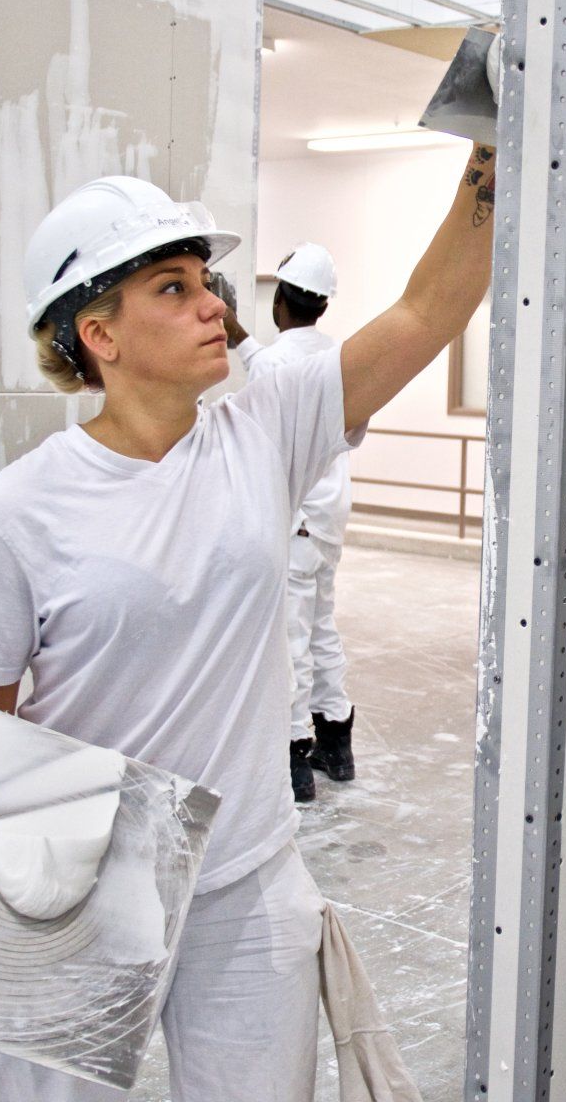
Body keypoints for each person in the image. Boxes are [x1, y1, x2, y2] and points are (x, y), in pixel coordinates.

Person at [0, 144, 496, 1101]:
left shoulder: (264, 429)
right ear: (98, 334)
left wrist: (490, 162)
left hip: (248, 879)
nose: (216, 308)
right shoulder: (17, 513)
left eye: (208, 281)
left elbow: (425, 310)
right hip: (83, 886)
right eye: (173, 287)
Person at [234, 242, 357, 803]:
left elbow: (269, 376)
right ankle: (337, 741)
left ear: (281, 299)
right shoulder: (342, 359)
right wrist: (240, 338)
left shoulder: (284, 360)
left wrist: (234, 332)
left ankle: (294, 760)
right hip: (329, 521)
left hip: (298, 521)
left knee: (290, 640)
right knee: (322, 627)